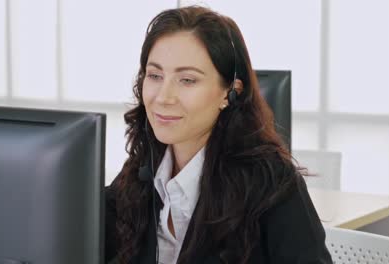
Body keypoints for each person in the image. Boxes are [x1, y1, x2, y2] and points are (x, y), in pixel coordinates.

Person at [105, 6, 332, 264]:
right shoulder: (141, 172)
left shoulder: (271, 186)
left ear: (229, 92)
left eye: (187, 80)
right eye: (155, 75)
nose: (163, 97)